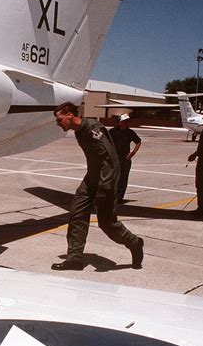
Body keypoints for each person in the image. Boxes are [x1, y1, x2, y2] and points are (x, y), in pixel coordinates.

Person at [51, 102, 144, 270]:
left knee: (107, 224)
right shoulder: (79, 132)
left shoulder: (94, 129)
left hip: (105, 180)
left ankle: (135, 243)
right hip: (91, 179)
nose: (58, 124)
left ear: (70, 116)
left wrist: (105, 187)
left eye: (59, 120)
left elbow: (110, 160)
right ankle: (75, 259)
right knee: (77, 215)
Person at [108, 113, 142, 202]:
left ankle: (119, 197)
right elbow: (106, 142)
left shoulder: (129, 132)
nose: (127, 123)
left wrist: (133, 153)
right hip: (114, 159)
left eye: (128, 122)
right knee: (113, 178)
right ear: (120, 122)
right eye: (125, 122)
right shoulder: (112, 132)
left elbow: (138, 142)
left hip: (125, 160)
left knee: (123, 179)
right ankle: (111, 196)